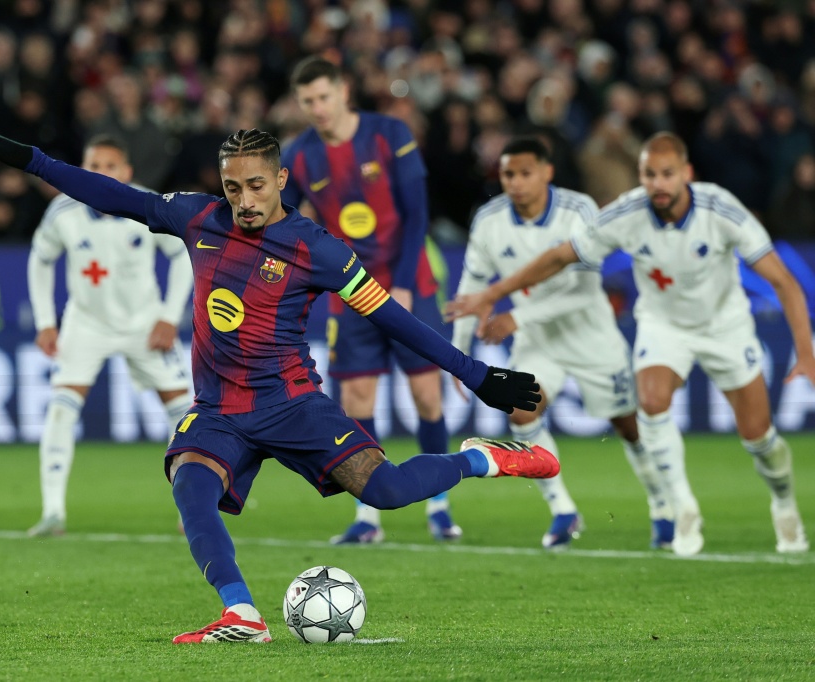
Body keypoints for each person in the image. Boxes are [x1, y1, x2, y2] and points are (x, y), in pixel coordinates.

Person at [0, 129, 558, 643]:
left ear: (280, 180)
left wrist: (476, 375)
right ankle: (240, 611)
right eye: (232, 187)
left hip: (292, 403)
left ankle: (481, 460)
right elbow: (115, 196)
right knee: (189, 484)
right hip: (219, 408)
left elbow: (390, 317)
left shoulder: (317, 249)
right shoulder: (196, 217)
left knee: (388, 491)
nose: (243, 200)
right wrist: (30, 160)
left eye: (255, 186)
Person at [447, 132, 813, 556]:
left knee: (758, 439)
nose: (657, 183)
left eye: (667, 174)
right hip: (662, 325)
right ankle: (680, 506)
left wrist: (806, 353)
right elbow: (559, 257)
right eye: (648, 174)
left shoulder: (720, 209)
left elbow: (785, 282)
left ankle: (783, 502)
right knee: (651, 400)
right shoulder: (626, 212)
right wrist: (493, 295)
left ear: (687, 174)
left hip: (723, 327)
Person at [452, 137, 673, 550]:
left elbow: (586, 290)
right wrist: (459, 353)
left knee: (628, 425)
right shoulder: (490, 219)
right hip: (539, 342)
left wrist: (518, 315)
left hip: (591, 335)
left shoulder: (579, 210)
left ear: (547, 173)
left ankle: (663, 506)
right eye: (507, 175)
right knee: (521, 411)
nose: (515, 183)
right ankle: (564, 512)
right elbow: (473, 287)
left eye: (524, 174)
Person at [281, 56, 460, 544]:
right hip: (350, 291)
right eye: (308, 101)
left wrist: (401, 282)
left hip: (410, 284)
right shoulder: (299, 155)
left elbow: (417, 214)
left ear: (344, 91)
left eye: (323, 96)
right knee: (357, 399)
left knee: (426, 395)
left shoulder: (389, 134)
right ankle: (367, 516)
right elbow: (286, 220)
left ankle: (439, 509)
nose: (317, 108)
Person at [25, 134, 194, 537]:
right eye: (94, 166)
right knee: (62, 408)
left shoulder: (148, 205)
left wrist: (170, 317)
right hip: (87, 324)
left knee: (187, 413)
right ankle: (52, 512)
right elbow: (40, 260)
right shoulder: (62, 210)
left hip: (144, 324)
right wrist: (46, 321)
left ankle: (192, 509)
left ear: (127, 172)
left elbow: (184, 255)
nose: (101, 174)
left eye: (110, 166)